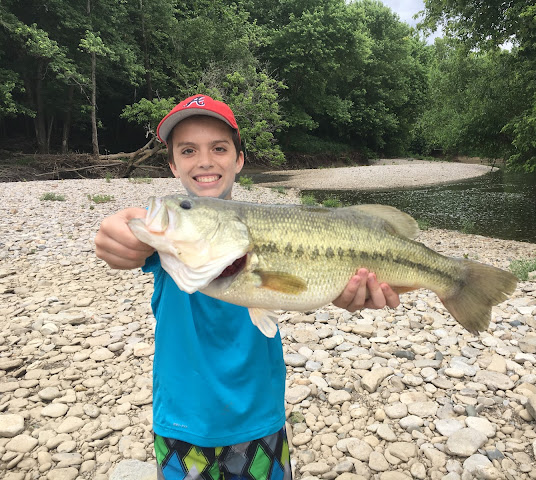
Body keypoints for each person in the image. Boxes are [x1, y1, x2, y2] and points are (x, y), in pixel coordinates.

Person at [94, 94, 400, 480]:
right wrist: (114, 232)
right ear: (172, 165)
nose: (204, 160)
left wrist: (343, 289)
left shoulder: (257, 232)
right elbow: (125, 232)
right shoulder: (167, 247)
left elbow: (310, 286)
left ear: (239, 159)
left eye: (219, 148)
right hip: (181, 424)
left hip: (260, 420)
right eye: (188, 150)